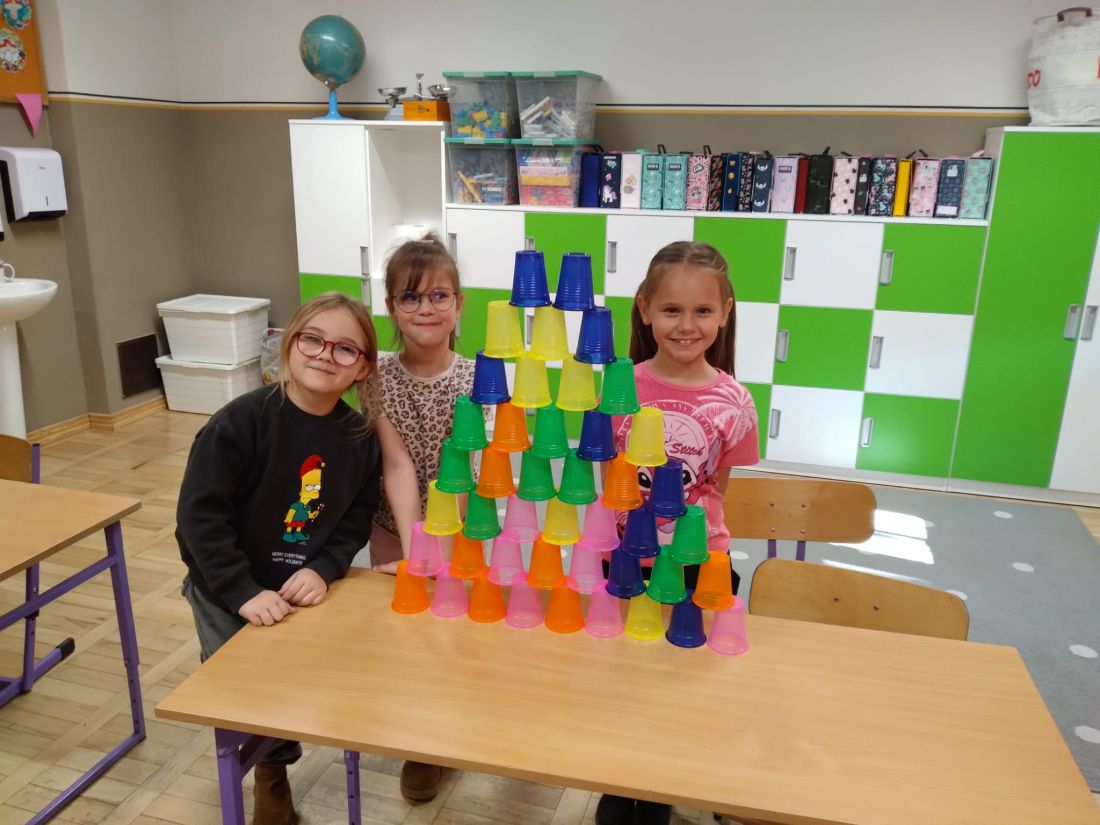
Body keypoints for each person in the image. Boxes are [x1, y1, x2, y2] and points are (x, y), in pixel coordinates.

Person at [176, 292, 383, 825]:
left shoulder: (359, 438)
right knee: (245, 689)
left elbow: (355, 520)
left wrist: (324, 569)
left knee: (295, 680)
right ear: (290, 344)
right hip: (226, 589)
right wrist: (242, 592)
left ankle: (276, 750)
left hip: (300, 588)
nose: (325, 355)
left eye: (345, 348)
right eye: (313, 340)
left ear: (362, 367)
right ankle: (271, 774)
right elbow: (200, 518)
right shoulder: (238, 423)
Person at [601, 241, 759, 825]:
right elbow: (606, 477)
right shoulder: (620, 388)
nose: (686, 325)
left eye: (702, 311)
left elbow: (717, 489)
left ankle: (666, 784)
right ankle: (621, 781)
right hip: (625, 559)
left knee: (685, 684)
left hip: (699, 563)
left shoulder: (734, 401)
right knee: (625, 680)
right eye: (671, 310)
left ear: (725, 313)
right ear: (644, 309)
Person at [368, 233, 478, 803]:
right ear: (391, 307)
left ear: (459, 304)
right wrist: (417, 554)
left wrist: (443, 549)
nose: (426, 308)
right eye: (411, 297)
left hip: (461, 526)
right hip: (396, 527)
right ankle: (415, 738)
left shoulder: (479, 378)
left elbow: (464, 470)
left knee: (452, 631)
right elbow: (397, 464)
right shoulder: (377, 376)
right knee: (408, 631)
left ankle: (440, 738)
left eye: (439, 296)